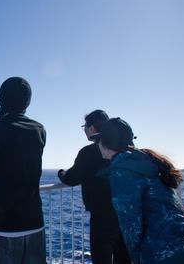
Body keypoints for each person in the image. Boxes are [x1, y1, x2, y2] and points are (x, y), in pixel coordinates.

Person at [94, 117, 184, 264]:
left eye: (98, 141)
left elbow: (131, 222)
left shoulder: (120, 169)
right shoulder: (144, 158)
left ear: (105, 143)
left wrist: (136, 258)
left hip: (163, 253)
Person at [0, 77, 47, 264]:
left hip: (4, 225)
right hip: (34, 222)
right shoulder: (39, 129)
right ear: (28, 101)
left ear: (0, 98)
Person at [58, 110, 130, 264]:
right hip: (126, 212)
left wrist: (61, 173)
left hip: (102, 215)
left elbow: (71, 178)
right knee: (124, 257)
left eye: (85, 126)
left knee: (101, 257)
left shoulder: (88, 152)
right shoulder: (125, 149)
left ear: (91, 129)